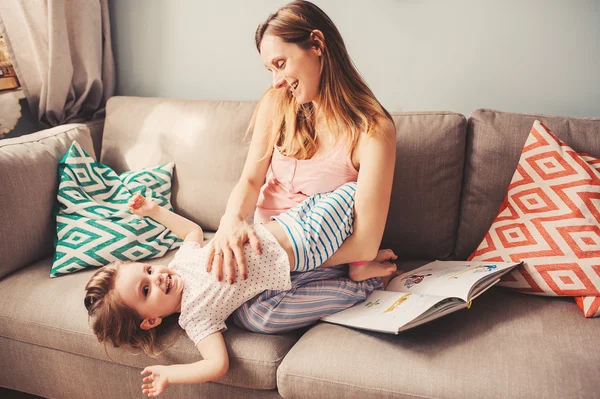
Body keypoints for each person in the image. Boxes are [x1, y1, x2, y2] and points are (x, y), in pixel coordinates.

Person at [84, 187, 396, 397]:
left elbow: (191, 232)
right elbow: (216, 364)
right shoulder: (195, 318)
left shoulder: (181, 261)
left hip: (289, 225)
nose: (159, 276)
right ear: (150, 321)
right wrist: (171, 374)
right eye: (146, 289)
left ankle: (360, 258)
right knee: (350, 201)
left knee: (351, 195)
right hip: (299, 252)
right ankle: (362, 274)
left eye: (149, 269)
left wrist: (154, 211)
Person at [207, 0, 397, 333]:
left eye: (281, 64)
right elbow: (250, 181)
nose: (277, 80)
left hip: (316, 255)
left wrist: (279, 262)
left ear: (317, 44)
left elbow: (365, 243)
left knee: (257, 315)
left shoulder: (372, 130)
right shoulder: (276, 104)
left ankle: (362, 285)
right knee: (210, 287)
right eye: (270, 69)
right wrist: (229, 221)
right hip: (266, 241)